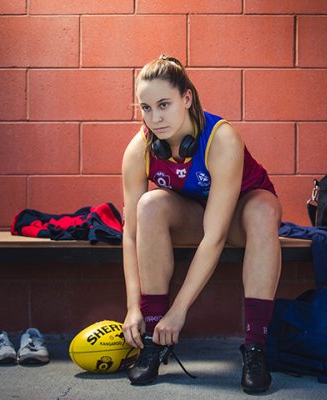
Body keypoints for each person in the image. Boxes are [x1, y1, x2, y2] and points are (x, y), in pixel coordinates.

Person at [121, 55, 282, 394]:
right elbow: (131, 232)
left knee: (264, 212)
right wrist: (133, 306)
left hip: (240, 213)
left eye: (164, 104)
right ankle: (154, 337)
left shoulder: (221, 138)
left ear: (187, 98)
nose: (155, 118)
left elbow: (216, 234)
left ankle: (255, 347)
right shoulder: (141, 149)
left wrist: (180, 310)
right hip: (195, 213)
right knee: (148, 206)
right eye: (146, 108)